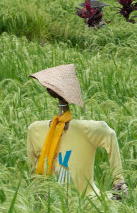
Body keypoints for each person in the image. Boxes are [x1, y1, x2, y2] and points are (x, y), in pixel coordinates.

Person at [25, 63, 126, 199]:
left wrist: (119, 181)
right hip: (51, 200)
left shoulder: (88, 129)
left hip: (87, 199)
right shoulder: (35, 130)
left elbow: (110, 135)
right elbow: (33, 172)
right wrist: (38, 190)